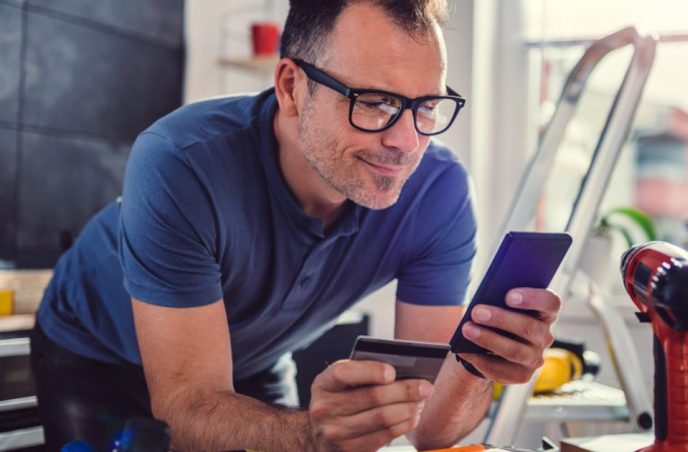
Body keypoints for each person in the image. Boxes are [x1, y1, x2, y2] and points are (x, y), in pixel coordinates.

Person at [31, 0, 562, 450]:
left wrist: (476, 366)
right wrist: (310, 435)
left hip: (257, 360)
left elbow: (427, 430)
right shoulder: (181, 160)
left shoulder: (438, 193)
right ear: (291, 87)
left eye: (427, 106)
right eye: (376, 103)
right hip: (93, 351)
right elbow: (186, 405)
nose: (408, 142)